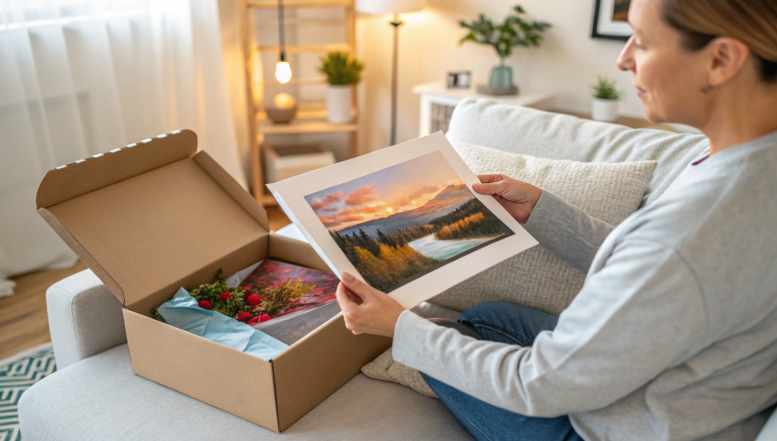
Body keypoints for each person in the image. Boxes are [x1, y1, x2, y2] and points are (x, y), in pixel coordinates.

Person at [334, 0, 777, 439]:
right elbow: (650, 269)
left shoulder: (691, 231)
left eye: (641, 43)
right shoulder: (745, 159)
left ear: (720, 60)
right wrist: (545, 213)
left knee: (427, 345)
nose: (623, 60)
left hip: (624, 426)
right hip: (679, 382)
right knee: (487, 316)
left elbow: (540, 384)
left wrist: (399, 328)